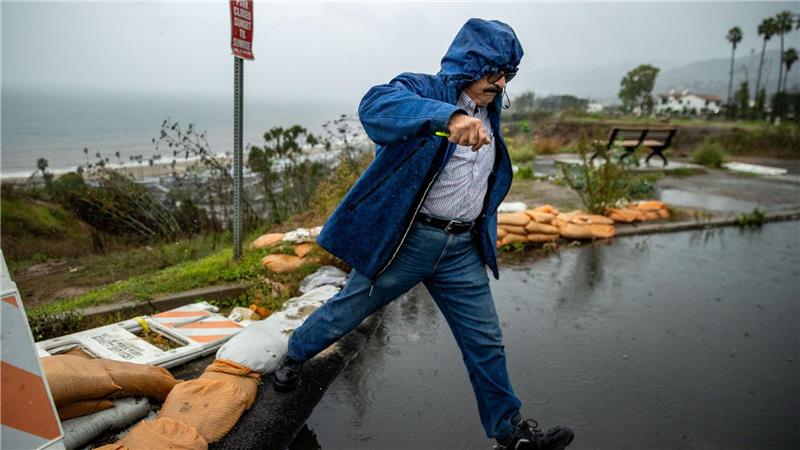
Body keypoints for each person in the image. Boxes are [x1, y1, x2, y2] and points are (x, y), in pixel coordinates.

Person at [274, 18, 574, 450]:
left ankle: (510, 432)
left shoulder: (491, 109)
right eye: (494, 70)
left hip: (461, 249)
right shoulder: (425, 90)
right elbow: (375, 105)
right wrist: (446, 117)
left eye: (508, 73)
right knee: (347, 310)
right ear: (471, 64)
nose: (501, 81)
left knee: (486, 341)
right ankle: (296, 354)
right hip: (408, 243)